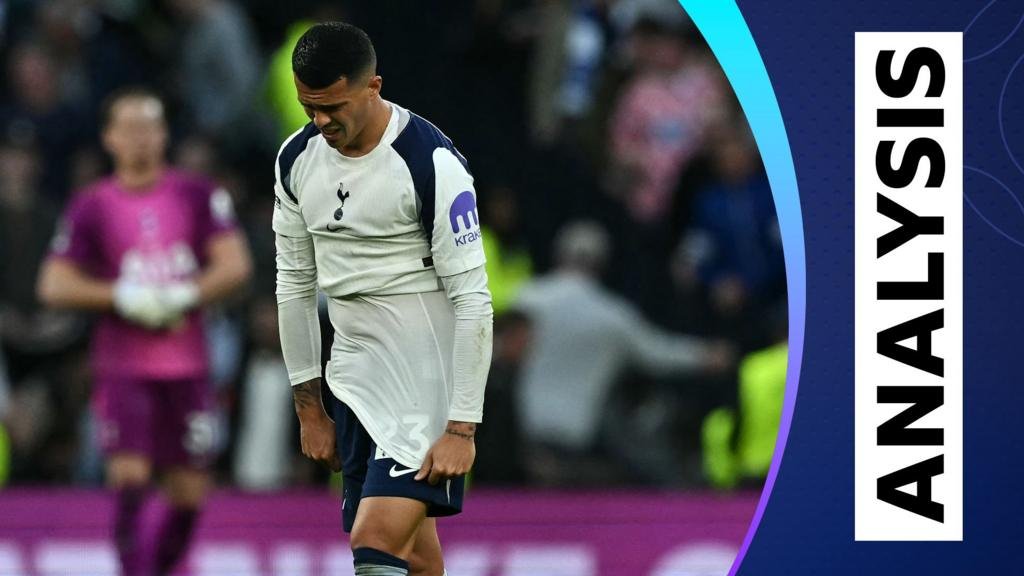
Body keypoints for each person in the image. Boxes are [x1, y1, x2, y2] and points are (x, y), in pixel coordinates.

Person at [273, 23, 493, 576]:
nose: (321, 122)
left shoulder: (430, 162)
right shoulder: (295, 159)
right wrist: (309, 407)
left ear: (373, 86)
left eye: (333, 107)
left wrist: (462, 427)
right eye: (308, 107)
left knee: (374, 541)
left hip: (424, 381)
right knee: (416, 558)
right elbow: (294, 284)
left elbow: (473, 299)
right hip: (352, 376)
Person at [36, 87, 252, 576]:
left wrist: (185, 294)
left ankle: (155, 569)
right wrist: (121, 296)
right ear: (109, 138)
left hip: (187, 364)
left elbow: (236, 264)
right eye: (129, 127)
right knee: (129, 476)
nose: (141, 137)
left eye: (150, 126)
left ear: (164, 134)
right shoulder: (92, 205)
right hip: (123, 364)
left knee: (190, 494)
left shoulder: (196, 194)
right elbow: (53, 284)